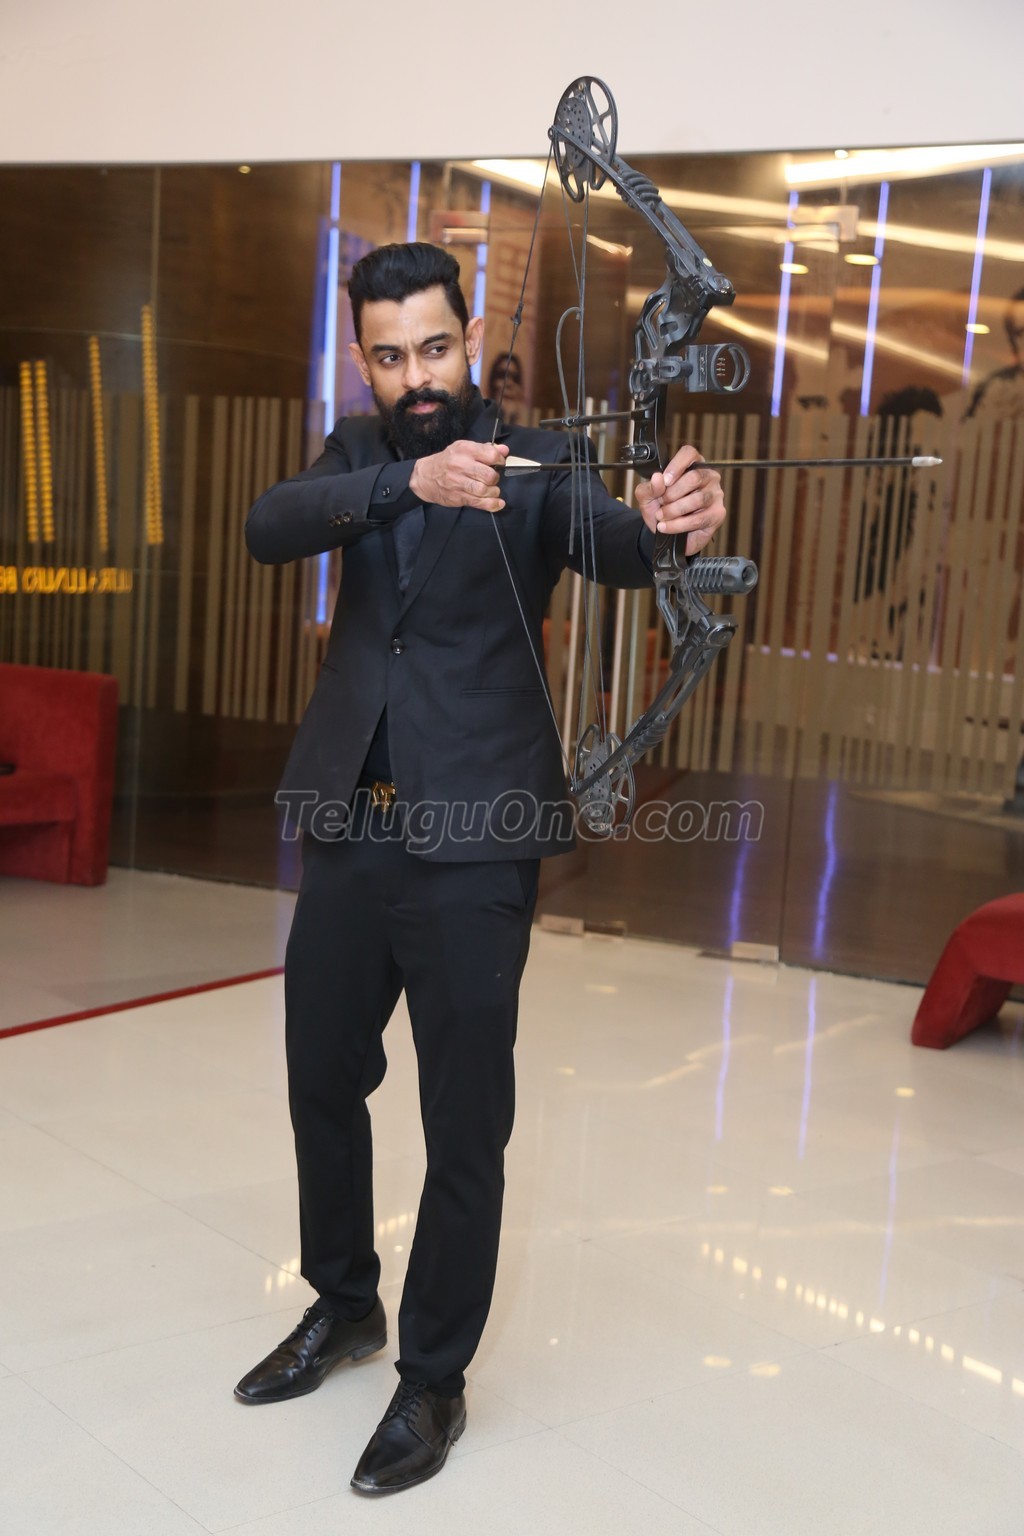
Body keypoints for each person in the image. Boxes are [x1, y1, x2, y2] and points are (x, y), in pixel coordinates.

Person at [239, 241, 726, 1496]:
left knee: (465, 1120)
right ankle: (344, 1302)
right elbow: (269, 526)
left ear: (471, 341)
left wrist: (667, 528)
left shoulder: (537, 459)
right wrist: (408, 480)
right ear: (364, 362)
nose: (417, 375)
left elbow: (615, 543)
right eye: (390, 356)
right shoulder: (359, 455)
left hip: (476, 838)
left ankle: (434, 1376)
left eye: (436, 348)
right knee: (318, 1076)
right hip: (351, 827)